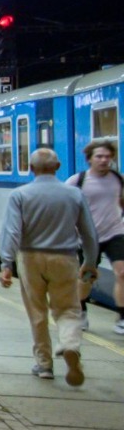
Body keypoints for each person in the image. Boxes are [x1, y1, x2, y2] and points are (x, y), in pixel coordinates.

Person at [0, 147, 98, 385]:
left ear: (31, 169)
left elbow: (12, 231)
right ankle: (70, 344)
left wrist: (6, 263)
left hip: (30, 259)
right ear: (58, 167)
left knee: (37, 313)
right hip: (65, 258)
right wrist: (90, 262)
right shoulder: (74, 194)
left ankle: (44, 364)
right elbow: (89, 233)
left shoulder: (20, 195)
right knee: (68, 309)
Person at [66, 138, 124, 335]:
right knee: (87, 277)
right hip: (88, 238)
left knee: (122, 273)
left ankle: (122, 317)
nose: (104, 160)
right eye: (99, 156)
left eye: (107, 157)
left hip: (115, 234)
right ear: (90, 159)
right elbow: (66, 207)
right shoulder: (77, 181)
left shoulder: (118, 179)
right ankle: (80, 309)